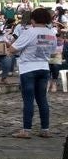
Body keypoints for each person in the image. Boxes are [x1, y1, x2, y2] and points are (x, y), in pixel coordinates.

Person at [10, 8, 57, 139]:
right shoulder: (51, 33)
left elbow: (13, 48)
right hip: (44, 67)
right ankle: (45, 129)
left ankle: (26, 130)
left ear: (33, 19)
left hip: (28, 68)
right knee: (42, 99)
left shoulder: (29, 32)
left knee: (28, 100)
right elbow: (53, 51)